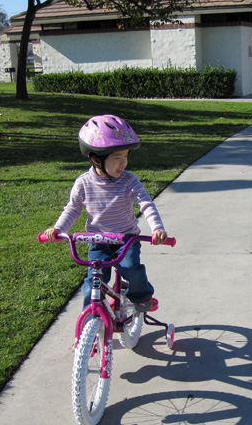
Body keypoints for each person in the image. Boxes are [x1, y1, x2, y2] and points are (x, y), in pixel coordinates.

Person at [43, 114, 167, 311]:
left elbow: (146, 204)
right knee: (93, 280)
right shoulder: (83, 183)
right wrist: (58, 228)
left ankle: (142, 297)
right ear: (95, 159)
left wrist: (157, 228)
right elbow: (73, 209)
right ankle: (90, 315)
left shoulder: (129, 181)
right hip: (98, 239)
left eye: (126, 156)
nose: (123, 163)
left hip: (126, 239)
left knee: (130, 268)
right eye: (117, 158)